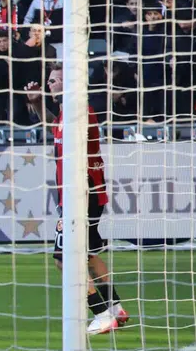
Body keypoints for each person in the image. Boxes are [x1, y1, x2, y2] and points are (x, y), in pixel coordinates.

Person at [27, 64, 129, 336]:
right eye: (50, 80)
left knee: (64, 259)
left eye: (56, 80)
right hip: (87, 194)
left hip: (80, 196)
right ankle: (116, 308)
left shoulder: (79, 113)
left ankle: (101, 315)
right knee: (89, 254)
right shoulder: (67, 114)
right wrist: (37, 104)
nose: (50, 84)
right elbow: (55, 128)